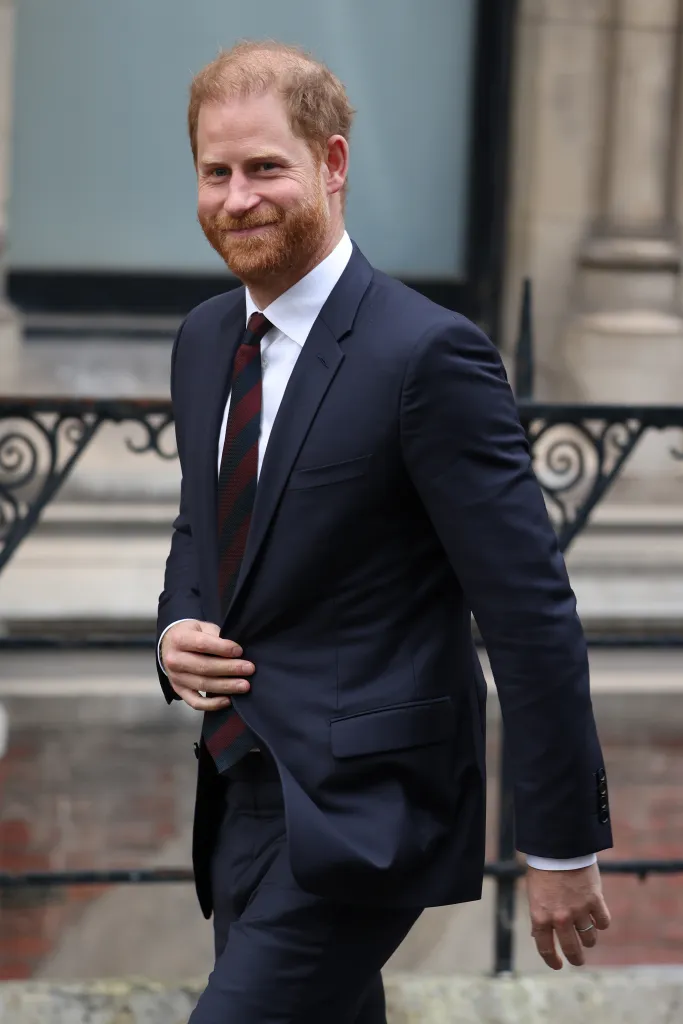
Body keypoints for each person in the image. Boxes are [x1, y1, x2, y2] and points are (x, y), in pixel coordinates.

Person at [156, 40, 613, 1024]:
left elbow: (528, 610)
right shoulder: (201, 340)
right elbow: (203, 521)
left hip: (371, 810)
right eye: (216, 172)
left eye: (265, 167)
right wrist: (174, 629)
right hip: (236, 794)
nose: (237, 198)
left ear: (331, 164)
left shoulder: (428, 354)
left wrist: (560, 842)